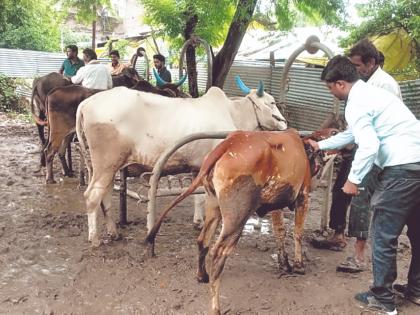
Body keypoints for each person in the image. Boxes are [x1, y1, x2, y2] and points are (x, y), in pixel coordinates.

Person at [308, 55, 420, 315]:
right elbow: (354, 134)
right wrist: (321, 145)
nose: (330, 92)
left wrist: (352, 180)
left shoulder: (355, 102)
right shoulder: (373, 94)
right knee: (417, 232)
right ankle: (416, 290)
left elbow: (369, 145)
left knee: (383, 233)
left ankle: (383, 298)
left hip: (401, 169)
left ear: (340, 84)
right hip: (417, 164)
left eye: (329, 87)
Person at [311, 39, 402, 274]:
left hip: (383, 153)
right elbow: (354, 131)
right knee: (341, 190)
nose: (355, 69)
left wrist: (355, 176)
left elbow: (371, 139)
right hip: (367, 147)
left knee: (361, 198)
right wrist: (322, 145)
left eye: (357, 65)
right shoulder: (361, 87)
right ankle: (338, 234)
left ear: (371, 63)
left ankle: (360, 257)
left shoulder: (383, 85)